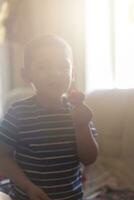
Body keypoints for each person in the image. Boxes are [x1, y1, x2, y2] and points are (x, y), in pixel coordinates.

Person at [0, 34, 98, 200]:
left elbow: (89, 159)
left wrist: (82, 126)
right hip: (27, 196)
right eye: (44, 66)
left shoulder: (78, 112)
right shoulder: (18, 112)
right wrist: (27, 186)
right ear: (26, 75)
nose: (55, 73)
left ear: (72, 74)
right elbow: (2, 155)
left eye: (63, 66)